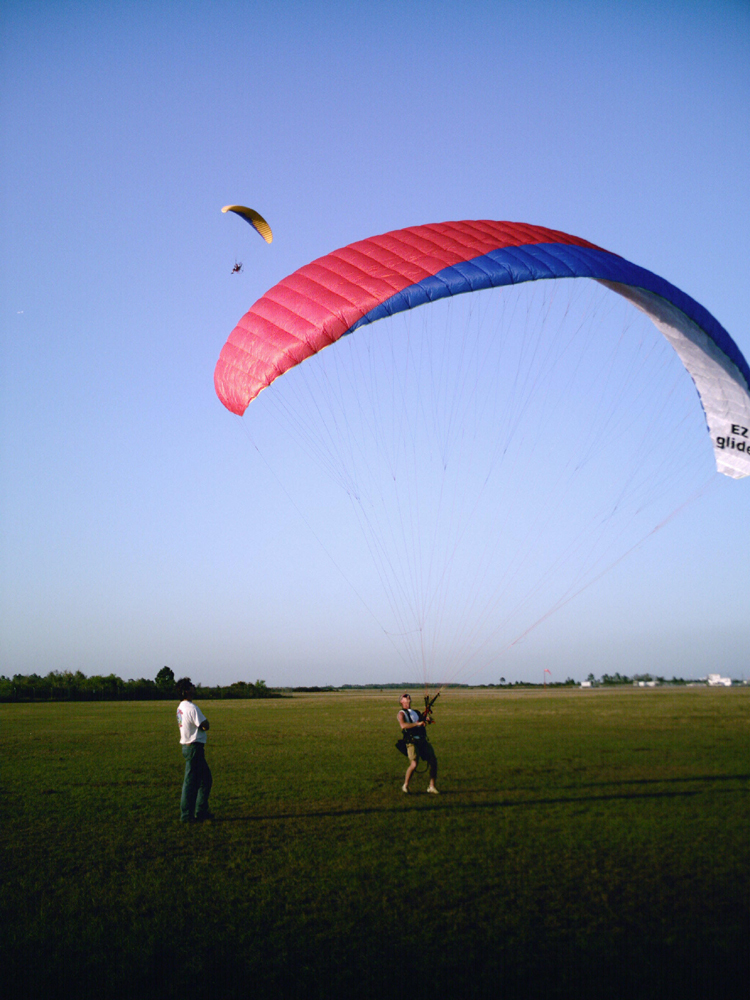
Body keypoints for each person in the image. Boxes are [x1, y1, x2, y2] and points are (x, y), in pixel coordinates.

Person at [176, 678, 213, 822]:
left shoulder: (180, 707)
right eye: (191, 686)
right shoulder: (192, 708)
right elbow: (204, 725)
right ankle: (187, 815)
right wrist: (206, 722)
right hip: (194, 748)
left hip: (188, 747)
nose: (193, 688)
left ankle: (201, 811)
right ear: (186, 691)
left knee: (204, 780)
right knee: (191, 782)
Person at [397, 692, 438, 794]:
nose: (407, 696)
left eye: (408, 695)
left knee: (433, 761)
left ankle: (432, 786)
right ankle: (405, 785)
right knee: (414, 764)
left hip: (422, 740)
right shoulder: (401, 713)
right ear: (401, 701)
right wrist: (417, 724)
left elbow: (422, 721)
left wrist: (427, 720)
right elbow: (403, 725)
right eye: (404, 696)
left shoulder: (415, 712)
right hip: (411, 741)